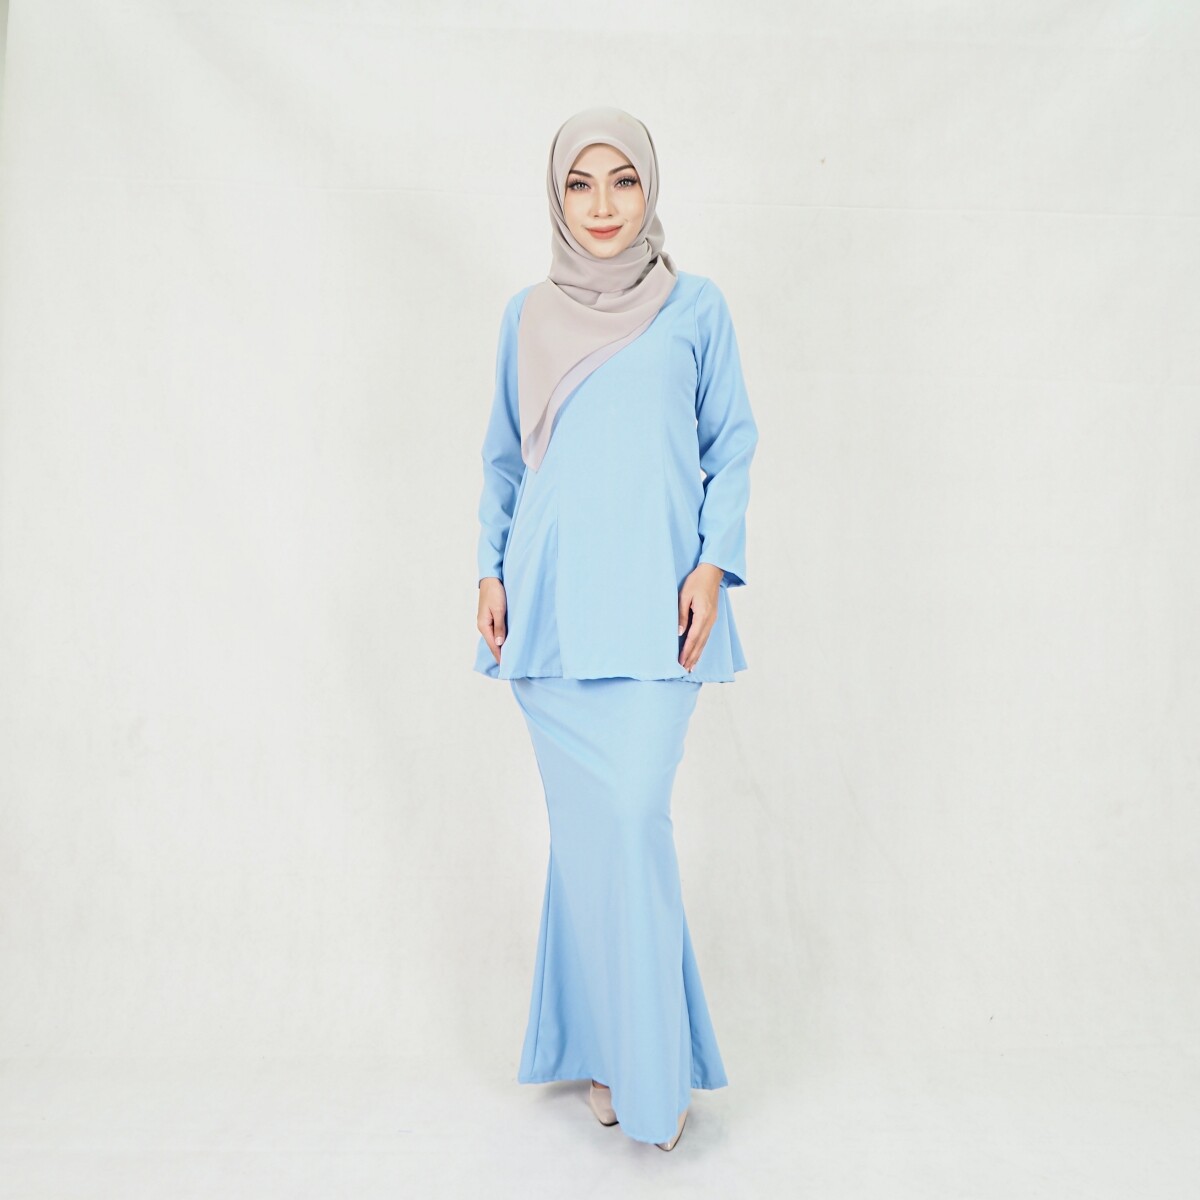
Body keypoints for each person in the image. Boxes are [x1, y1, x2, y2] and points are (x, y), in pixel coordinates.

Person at [472, 105, 758, 1152]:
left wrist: (712, 563)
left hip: (655, 613)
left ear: (650, 189)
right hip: (549, 612)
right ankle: (607, 1048)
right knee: (591, 839)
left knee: (631, 817)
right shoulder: (527, 316)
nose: (602, 205)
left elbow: (732, 442)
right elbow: (503, 460)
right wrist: (489, 569)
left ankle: (648, 1064)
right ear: (557, 197)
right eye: (580, 183)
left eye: (622, 180)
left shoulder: (696, 308)